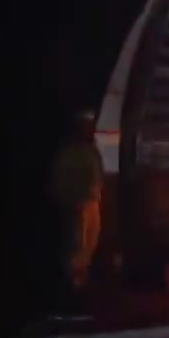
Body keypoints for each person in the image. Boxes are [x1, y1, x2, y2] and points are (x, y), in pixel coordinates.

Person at [51, 110, 104, 314]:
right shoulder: (70, 152)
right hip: (77, 204)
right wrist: (67, 201)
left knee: (88, 245)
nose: (90, 129)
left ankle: (80, 289)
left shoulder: (90, 150)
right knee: (76, 247)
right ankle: (71, 295)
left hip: (91, 202)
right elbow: (59, 180)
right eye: (86, 125)